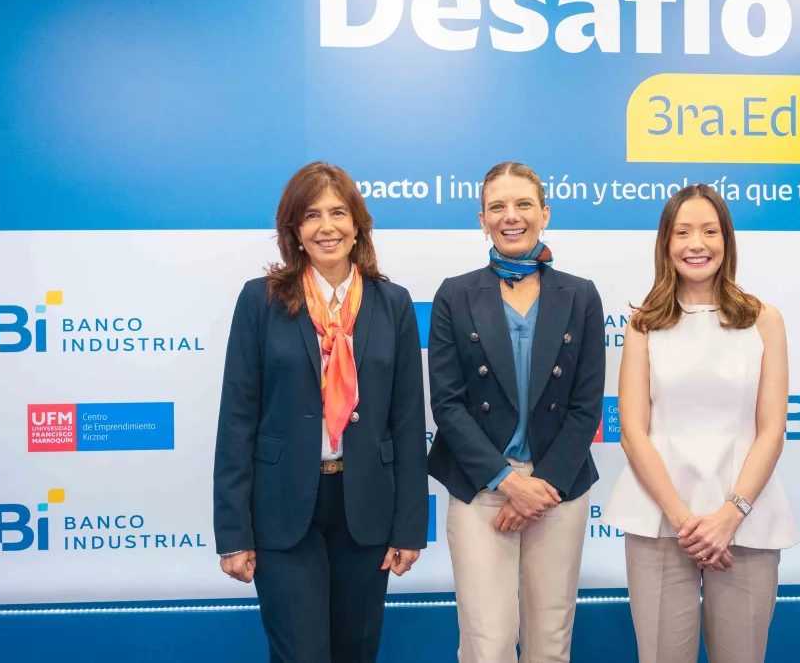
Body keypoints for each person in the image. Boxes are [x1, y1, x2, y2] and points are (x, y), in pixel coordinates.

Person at [213, 162, 429, 663]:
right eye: (311, 215)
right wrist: (233, 533)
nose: (326, 227)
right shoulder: (261, 301)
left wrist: (409, 528)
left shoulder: (393, 304)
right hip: (284, 509)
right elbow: (237, 420)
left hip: (366, 508)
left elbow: (407, 421)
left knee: (356, 652)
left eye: (337, 213)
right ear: (294, 230)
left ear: (357, 225)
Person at [602, 185, 799, 663]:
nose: (697, 244)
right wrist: (686, 523)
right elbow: (633, 433)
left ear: (726, 240)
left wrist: (730, 515)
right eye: (683, 232)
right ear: (666, 243)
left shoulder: (764, 320)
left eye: (710, 232)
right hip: (659, 522)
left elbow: (771, 431)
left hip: (746, 524)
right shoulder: (644, 324)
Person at [427, 162, 605, 662]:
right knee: (487, 644)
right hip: (481, 487)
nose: (511, 216)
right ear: (482, 219)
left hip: (557, 488)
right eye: (497, 206)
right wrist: (508, 482)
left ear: (544, 213)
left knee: (550, 643)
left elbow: (586, 405)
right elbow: (447, 404)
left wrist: (538, 489)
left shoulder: (580, 295)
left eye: (524, 204)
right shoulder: (455, 294)